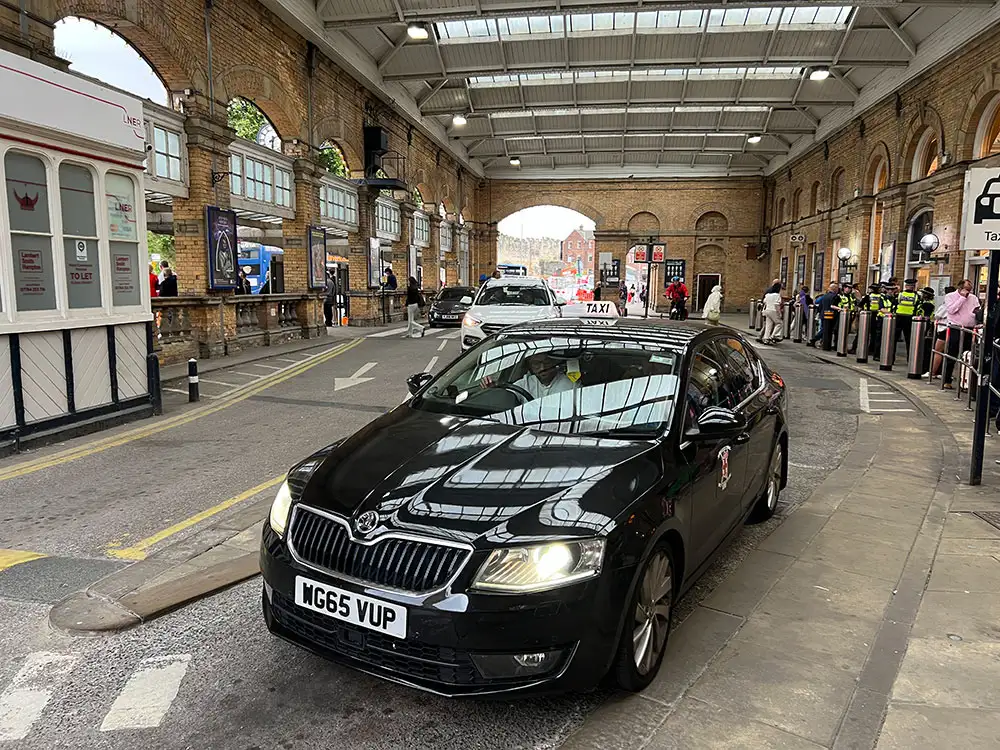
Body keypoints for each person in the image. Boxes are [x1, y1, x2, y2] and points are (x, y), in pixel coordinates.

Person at [942, 279, 981, 390]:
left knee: (968, 355)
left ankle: (965, 382)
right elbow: (952, 310)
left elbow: (977, 310)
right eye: (967, 289)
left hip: (970, 328)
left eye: (970, 290)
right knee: (952, 354)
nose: (969, 292)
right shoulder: (950, 296)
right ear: (960, 288)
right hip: (956, 327)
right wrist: (962, 298)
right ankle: (947, 380)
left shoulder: (973, 298)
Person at [924, 286, 956, 379]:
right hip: (951, 329)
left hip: (944, 329)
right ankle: (944, 373)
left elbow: (938, 315)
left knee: (938, 351)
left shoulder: (947, 304)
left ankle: (933, 372)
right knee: (948, 352)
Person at [808, 282, 840, 349]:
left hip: (823, 314)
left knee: (824, 329)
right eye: (837, 288)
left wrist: (820, 313)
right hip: (831, 315)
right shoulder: (835, 297)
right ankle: (815, 339)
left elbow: (820, 306)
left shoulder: (824, 296)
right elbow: (834, 306)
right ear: (835, 289)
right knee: (826, 330)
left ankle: (822, 342)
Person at [894, 278, 919, 360]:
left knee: (894, 338)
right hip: (909, 318)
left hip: (899, 317)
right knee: (909, 339)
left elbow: (895, 304)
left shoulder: (900, 294)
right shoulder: (916, 296)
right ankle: (910, 359)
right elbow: (917, 307)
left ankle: (891, 357)